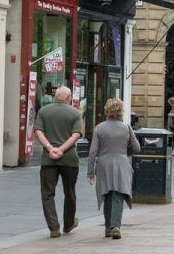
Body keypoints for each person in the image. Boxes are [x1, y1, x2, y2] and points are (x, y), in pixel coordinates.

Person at [34, 85, 84, 238]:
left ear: (56, 96)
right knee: (70, 192)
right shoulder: (76, 113)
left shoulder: (43, 111)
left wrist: (50, 148)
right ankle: (68, 224)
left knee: (47, 194)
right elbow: (76, 135)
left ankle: (54, 227)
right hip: (69, 159)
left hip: (48, 160)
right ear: (69, 99)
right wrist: (62, 149)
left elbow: (37, 131)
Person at [87, 98, 140, 240]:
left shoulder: (99, 128)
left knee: (107, 194)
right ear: (121, 111)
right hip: (121, 163)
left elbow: (92, 152)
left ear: (107, 110)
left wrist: (90, 172)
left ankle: (107, 227)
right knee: (118, 194)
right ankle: (116, 226)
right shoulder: (127, 128)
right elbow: (137, 148)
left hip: (104, 164)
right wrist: (125, 150)